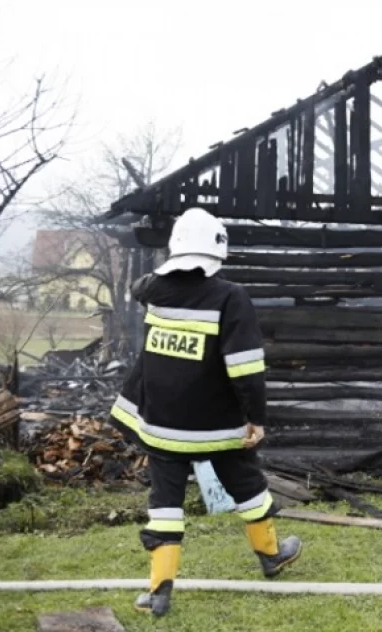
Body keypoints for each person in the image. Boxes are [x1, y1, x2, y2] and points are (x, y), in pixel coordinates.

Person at [108, 207, 302, 617]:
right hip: (216, 426)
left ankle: (159, 591)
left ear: (176, 247)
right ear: (218, 251)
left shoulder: (154, 291)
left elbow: (141, 286)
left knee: (164, 503)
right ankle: (271, 555)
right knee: (246, 484)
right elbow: (245, 368)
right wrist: (256, 418)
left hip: (162, 426)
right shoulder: (230, 297)